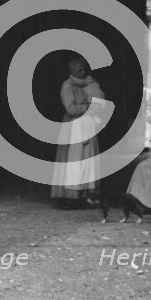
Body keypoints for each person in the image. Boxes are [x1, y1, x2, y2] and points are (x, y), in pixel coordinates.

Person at [51, 55, 105, 207]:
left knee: (87, 161)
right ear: (71, 70)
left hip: (87, 125)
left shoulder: (89, 82)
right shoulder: (67, 86)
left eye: (84, 68)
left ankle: (86, 194)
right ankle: (70, 196)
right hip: (74, 126)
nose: (83, 71)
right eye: (79, 68)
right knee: (74, 162)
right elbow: (71, 109)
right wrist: (90, 106)